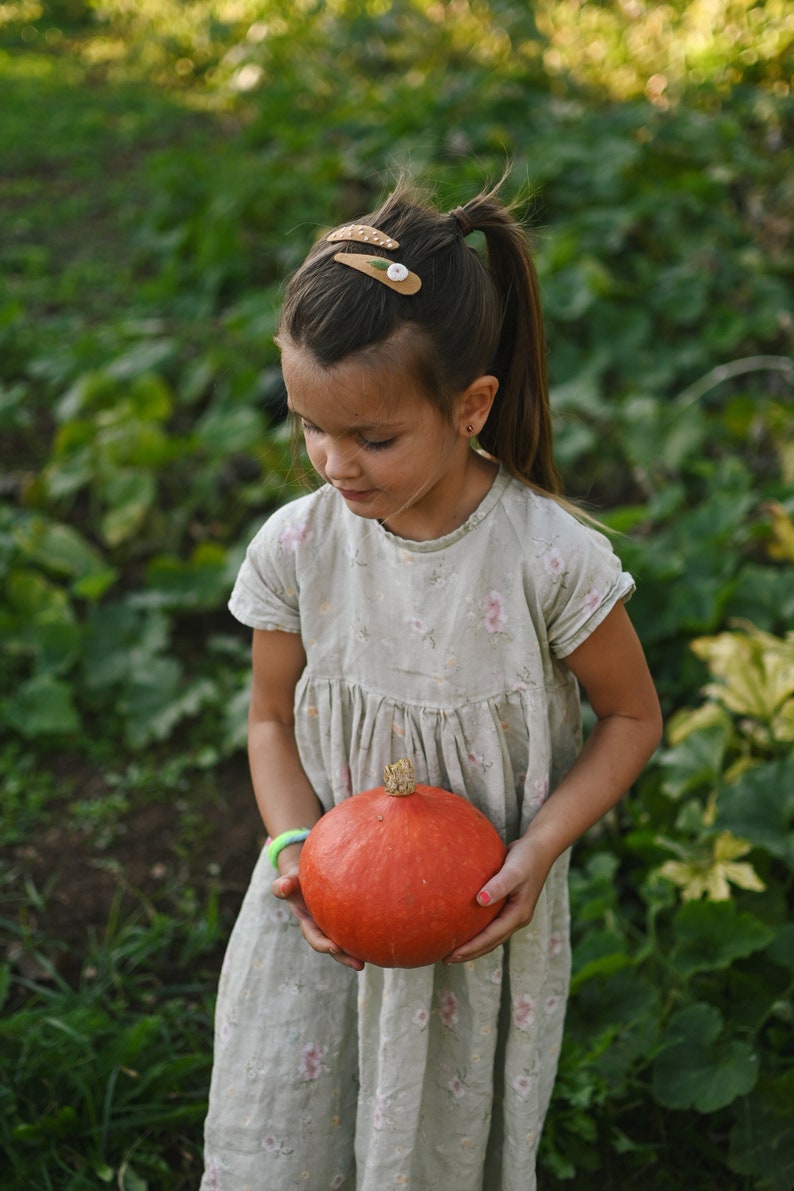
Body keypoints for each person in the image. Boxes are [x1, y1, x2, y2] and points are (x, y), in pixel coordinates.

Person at [200, 178, 662, 1191]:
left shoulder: (547, 559)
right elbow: (269, 720)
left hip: (475, 923)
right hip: (317, 912)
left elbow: (630, 717)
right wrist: (293, 849)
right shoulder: (298, 548)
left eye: (372, 438)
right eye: (309, 427)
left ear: (470, 407)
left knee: (434, 1147)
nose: (332, 464)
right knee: (294, 1121)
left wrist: (538, 849)